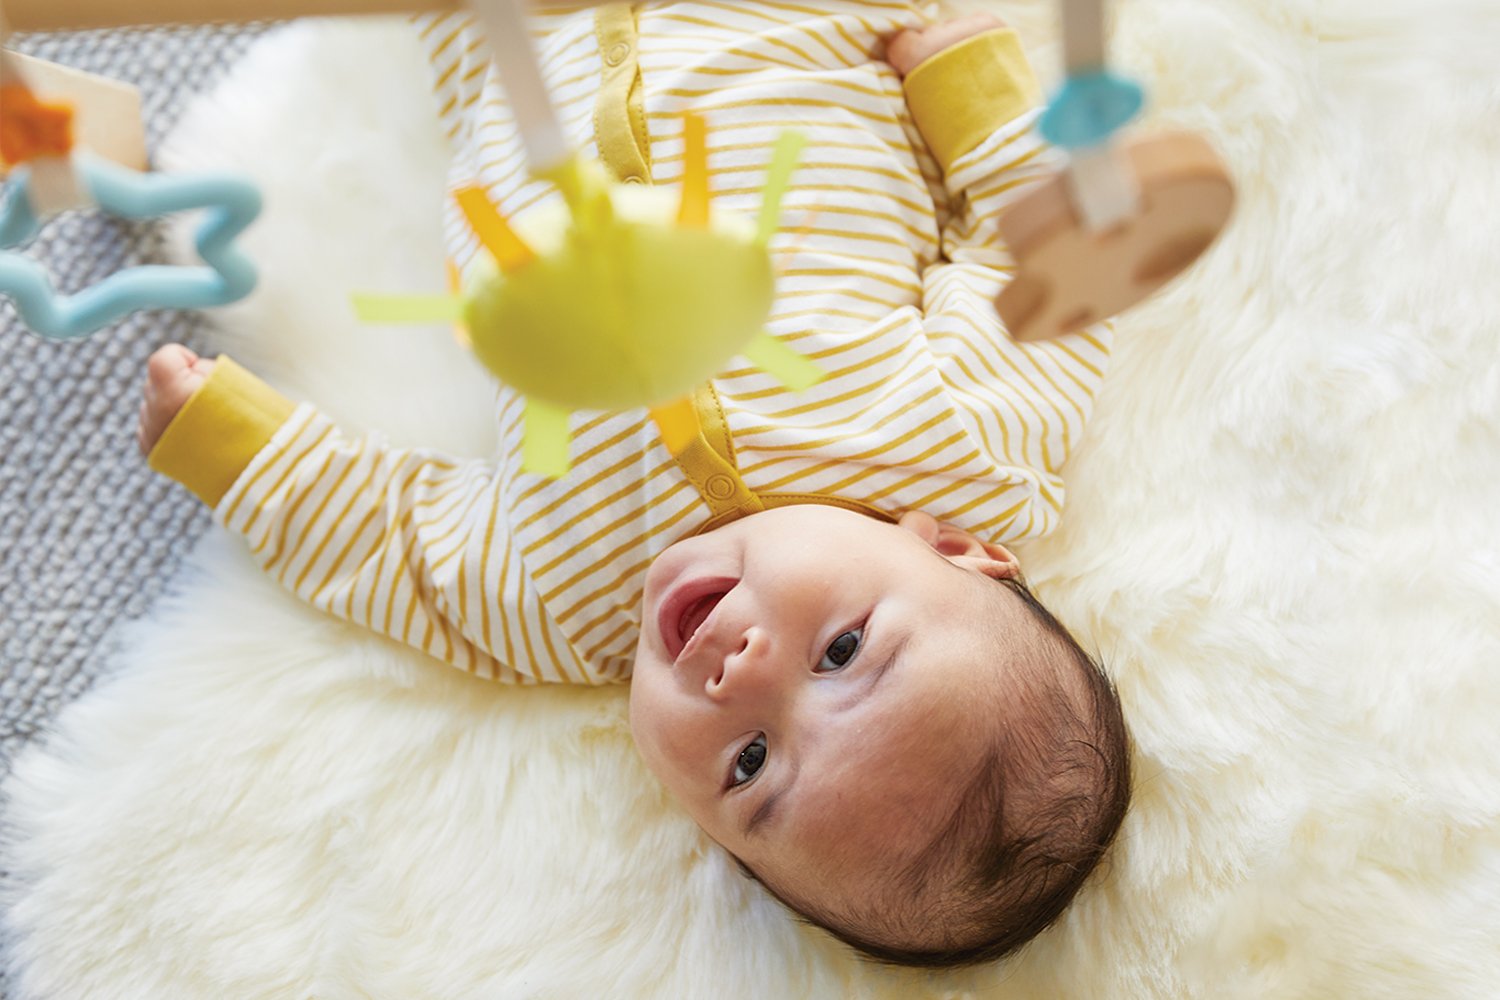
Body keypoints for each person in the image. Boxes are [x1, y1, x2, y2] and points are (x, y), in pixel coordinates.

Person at [137, 2, 1130, 967]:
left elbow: (390, 543)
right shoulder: (967, 451)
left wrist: (236, 447)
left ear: (708, 835)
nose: (742, 671)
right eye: (842, 649)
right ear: (955, 550)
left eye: (749, 764)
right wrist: (974, 92)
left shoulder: (559, 607)